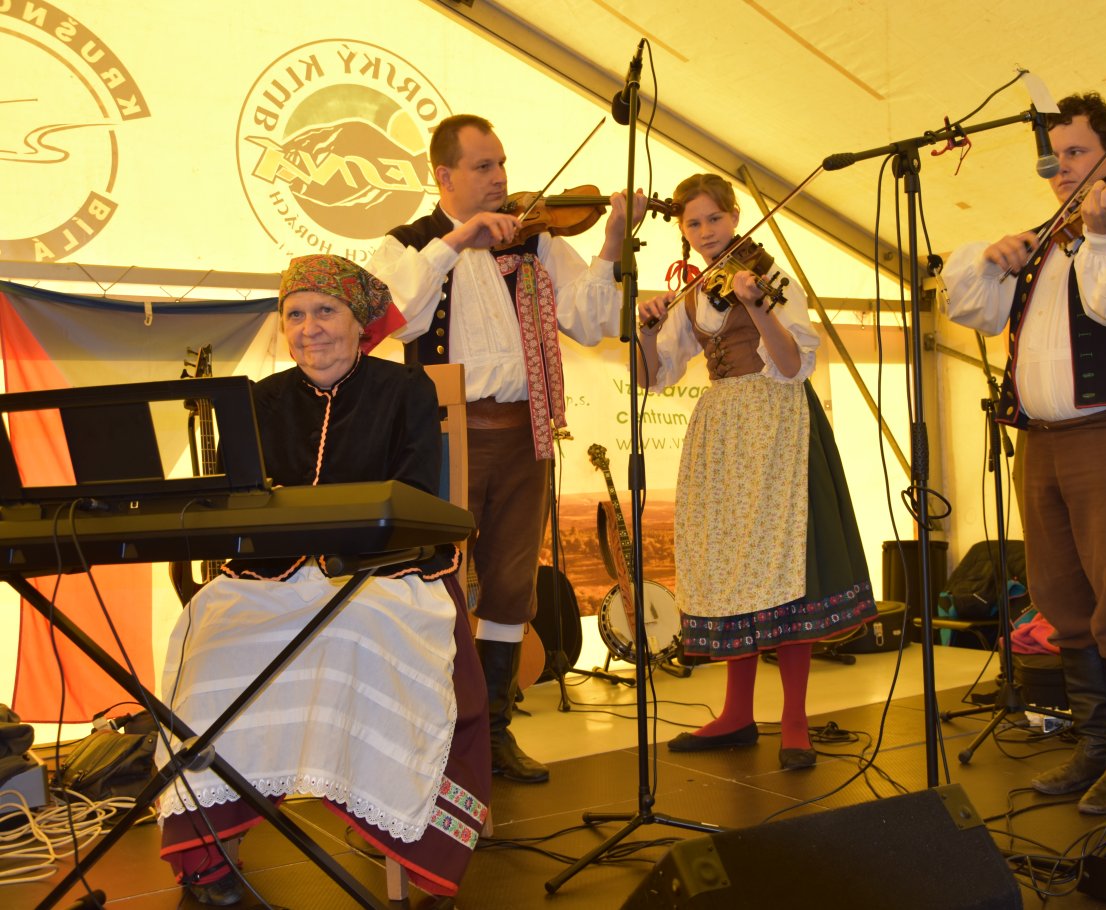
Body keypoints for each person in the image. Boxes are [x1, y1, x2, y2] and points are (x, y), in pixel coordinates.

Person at [156, 255, 489, 905]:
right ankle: (209, 856)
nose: (309, 328)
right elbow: (241, 502)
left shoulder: (406, 389)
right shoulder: (260, 399)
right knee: (211, 633)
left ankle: (400, 828)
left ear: (359, 322)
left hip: (384, 568)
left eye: (325, 311)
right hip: (274, 572)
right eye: (295, 315)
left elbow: (416, 496)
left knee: (357, 633)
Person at [368, 115, 644, 784]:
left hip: (526, 429)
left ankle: (493, 730)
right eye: (483, 167)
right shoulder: (408, 243)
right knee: (434, 580)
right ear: (444, 175)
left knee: (511, 584)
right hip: (441, 433)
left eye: (502, 164)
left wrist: (611, 241)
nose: (500, 178)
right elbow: (391, 315)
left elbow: (592, 320)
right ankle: (435, 734)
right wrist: (455, 241)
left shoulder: (535, 239)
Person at [942, 92, 1106, 814]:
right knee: (1061, 598)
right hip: (1039, 444)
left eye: (1076, 153)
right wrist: (991, 261)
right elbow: (974, 310)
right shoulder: (1046, 240)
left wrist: (1102, 234)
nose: (1062, 168)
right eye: (1053, 158)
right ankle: (1094, 747)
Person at [635, 173, 877, 771]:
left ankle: (794, 719)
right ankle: (736, 712)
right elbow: (652, 377)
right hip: (723, 429)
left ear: (735, 216)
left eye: (714, 219)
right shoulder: (693, 293)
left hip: (777, 422)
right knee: (731, 567)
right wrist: (645, 331)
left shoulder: (772, 278)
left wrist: (758, 306)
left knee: (784, 565)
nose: (705, 232)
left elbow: (792, 365)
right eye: (693, 223)